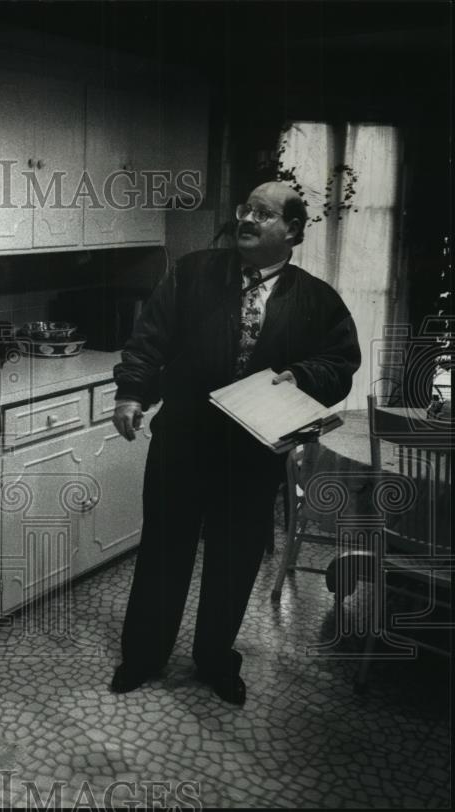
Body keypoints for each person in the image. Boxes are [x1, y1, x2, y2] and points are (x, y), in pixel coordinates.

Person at [109, 181, 361, 705]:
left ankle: (214, 660)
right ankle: (143, 656)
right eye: (245, 208)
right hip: (182, 437)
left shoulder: (317, 298)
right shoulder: (194, 272)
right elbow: (149, 338)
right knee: (163, 551)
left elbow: (340, 365)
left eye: (263, 214)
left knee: (235, 558)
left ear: (291, 230)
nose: (246, 218)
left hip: (251, 451)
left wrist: (300, 375)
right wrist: (132, 393)